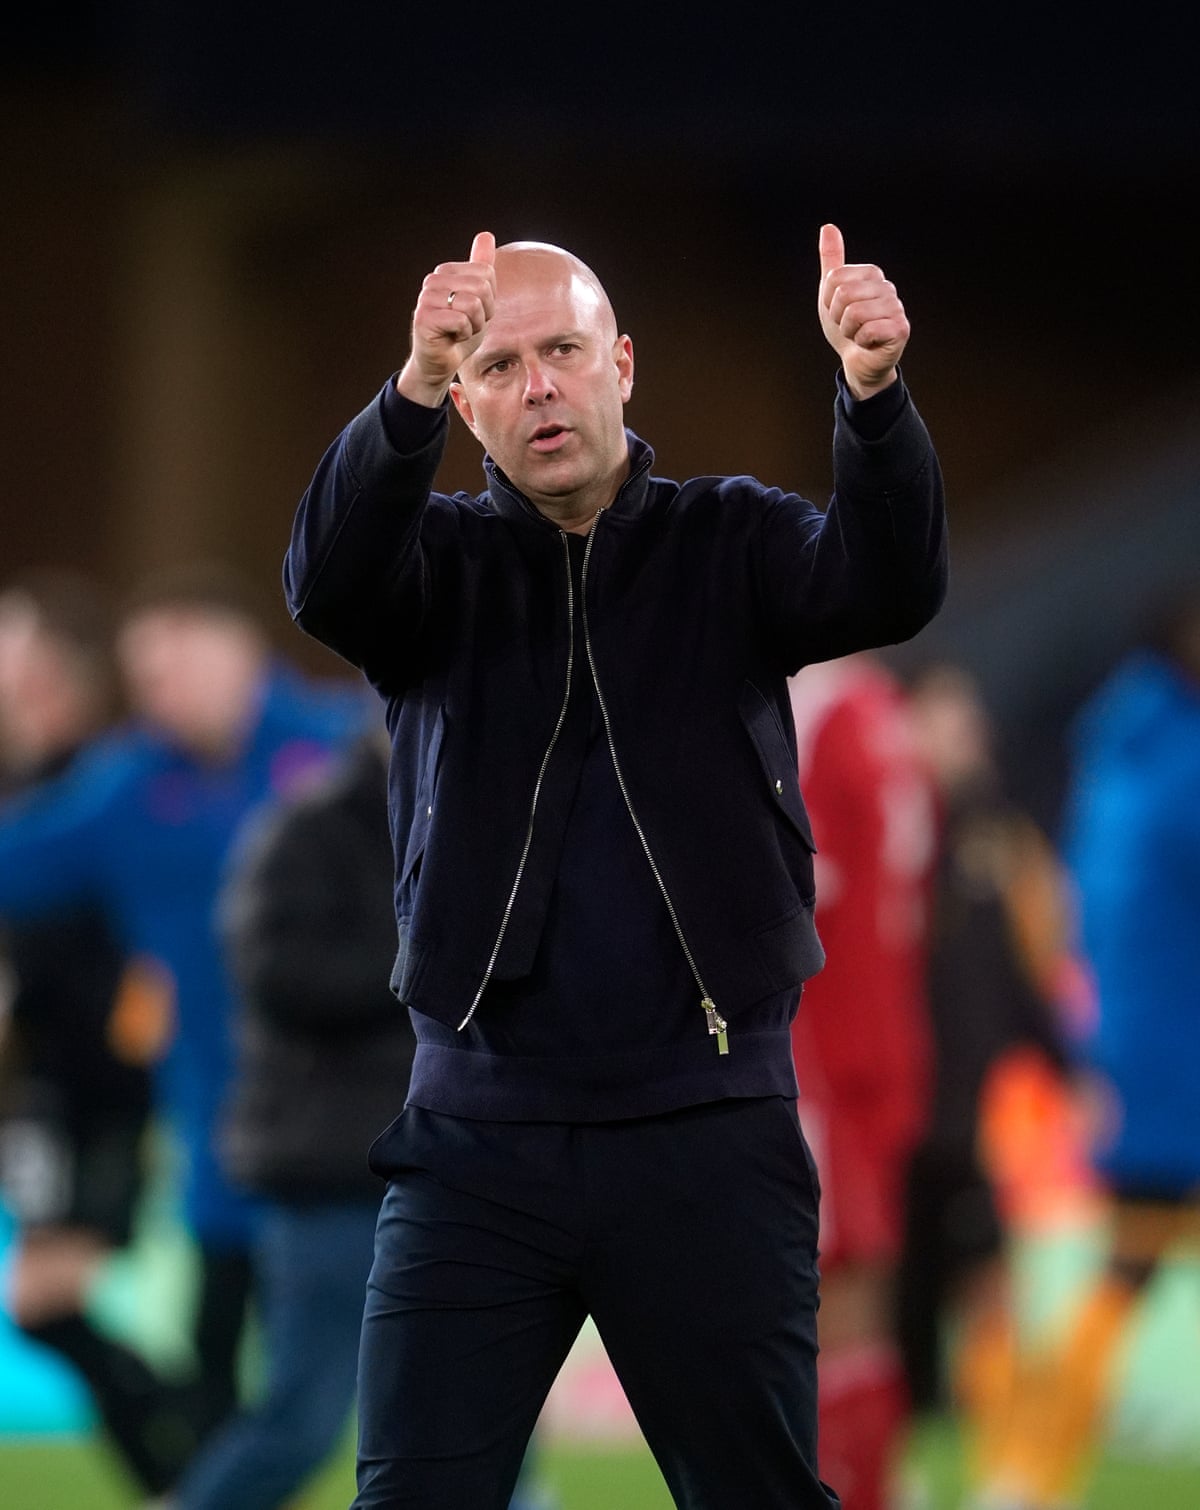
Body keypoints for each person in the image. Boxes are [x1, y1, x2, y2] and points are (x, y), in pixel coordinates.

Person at [283, 223, 948, 1509]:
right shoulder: (432, 573)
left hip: (706, 1129)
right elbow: (327, 582)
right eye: (498, 365)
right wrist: (406, 388)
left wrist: (874, 400)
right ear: (470, 403)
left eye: (565, 353)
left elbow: (886, 584)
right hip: (474, 1141)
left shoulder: (732, 543)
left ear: (622, 366)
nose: (539, 386)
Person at [0, 560, 369, 1497]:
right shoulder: (131, 789)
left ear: (236, 651)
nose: (155, 691)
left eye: (171, 666)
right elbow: (21, 858)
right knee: (237, 1396)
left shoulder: (347, 743)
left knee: (409, 1380)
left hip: (370, 1131)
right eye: (144, 674)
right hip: (227, 1145)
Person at [164, 724, 552, 1510]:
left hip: (464, 1164)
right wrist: (430, 959)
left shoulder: (490, 824)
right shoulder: (305, 831)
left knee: (490, 1429)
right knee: (303, 1422)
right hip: (342, 1175)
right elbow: (277, 975)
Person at [967, 587, 1200, 1510]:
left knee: (1120, 1270)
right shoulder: (1180, 762)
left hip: (1131, 1047)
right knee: (1126, 1269)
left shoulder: (1118, 750)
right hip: (1174, 1058)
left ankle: (1024, 1472)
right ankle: (1027, 1472)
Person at [0, 570, 200, 1498]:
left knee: (41, 1302)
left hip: (98, 1089)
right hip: (47, 1093)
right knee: (41, 1305)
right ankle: (191, 1466)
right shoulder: (33, 784)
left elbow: (141, 945)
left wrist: (137, 1046)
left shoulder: (105, 786)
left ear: (55, 666)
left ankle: (200, 1457)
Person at [890, 662, 1077, 1504]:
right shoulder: (886, 834)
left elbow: (1016, 979)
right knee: (890, 1304)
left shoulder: (987, 840)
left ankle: (1006, 1472)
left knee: (985, 1284)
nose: (970, 741)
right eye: (950, 724)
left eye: (970, 725)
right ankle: (884, 1470)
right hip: (891, 1111)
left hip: (962, 1112)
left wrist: (1067, 1067)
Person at [785, 650, 939, 1510]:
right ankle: (867, 1482)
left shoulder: (833, 706)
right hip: (868, 1045)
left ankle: (859, 1481)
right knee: (853, 1290)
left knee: (838, 1294)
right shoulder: (874, 709)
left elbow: (798, 888)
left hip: (839, 1050)